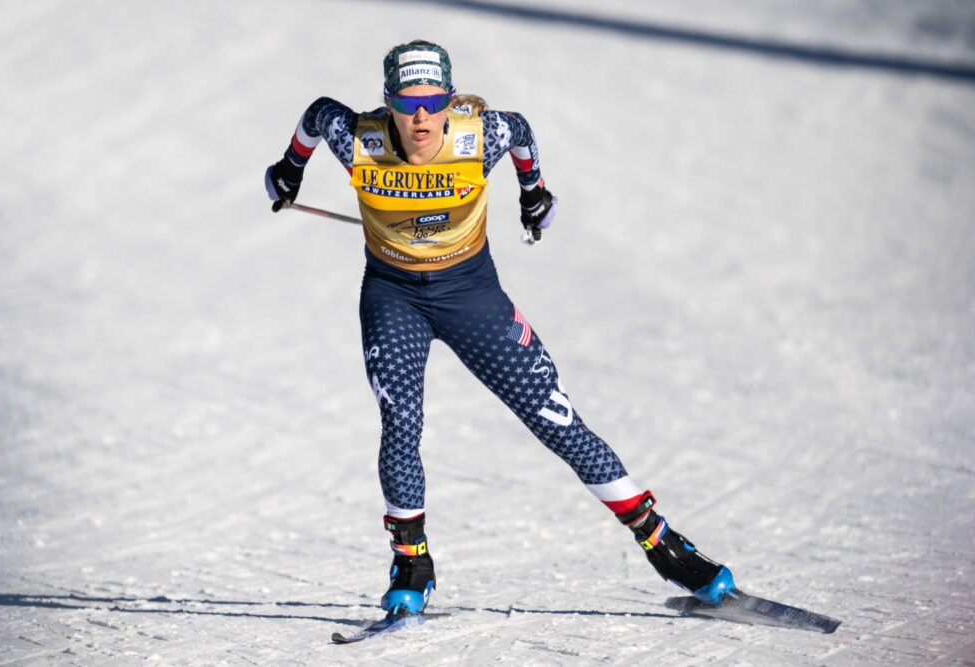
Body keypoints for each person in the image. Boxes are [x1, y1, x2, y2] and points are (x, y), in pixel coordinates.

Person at [265, 40, 736, 617]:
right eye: (407, 103)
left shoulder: (480, 136)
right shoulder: (358, 139)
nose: (420, 118)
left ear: (448, 100)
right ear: (387, 102)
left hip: (472, 297)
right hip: (394, 298)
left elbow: (520, 132)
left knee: (553, 417)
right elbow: (317, 114)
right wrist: (289, 169)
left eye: (432, 103)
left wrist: (533, 196)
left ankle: (661, 542)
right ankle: (411, 559)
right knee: (401, 422)